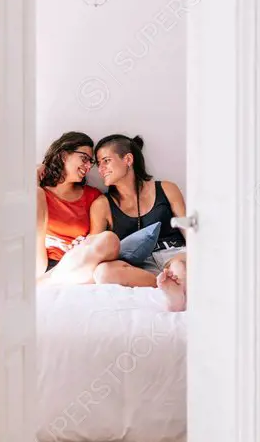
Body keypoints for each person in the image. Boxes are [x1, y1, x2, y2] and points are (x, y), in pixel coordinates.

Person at [89, 135, 189, 311]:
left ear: (128, 159)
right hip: (140, 269)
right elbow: (96, 250)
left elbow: (189, 232)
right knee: (102, 273)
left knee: (179, 266)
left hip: (174, 254)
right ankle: (167, 284)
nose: (101, 169)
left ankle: (176, 290)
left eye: (106, 161)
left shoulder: (167, 189)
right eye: (99, 164)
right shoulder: (101, 205)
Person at [35, 132, 121, 283]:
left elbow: (94, 241)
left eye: (90, 162)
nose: (88, 166)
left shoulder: (93, 196)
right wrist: (35, 172)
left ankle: (48, 281)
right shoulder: (40, 192)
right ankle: (44, 279)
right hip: (40, 262)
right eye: (84, 159)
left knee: (110, 239)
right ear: (63, 155)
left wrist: (82, 244)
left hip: (77, 265)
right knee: (35, 193)